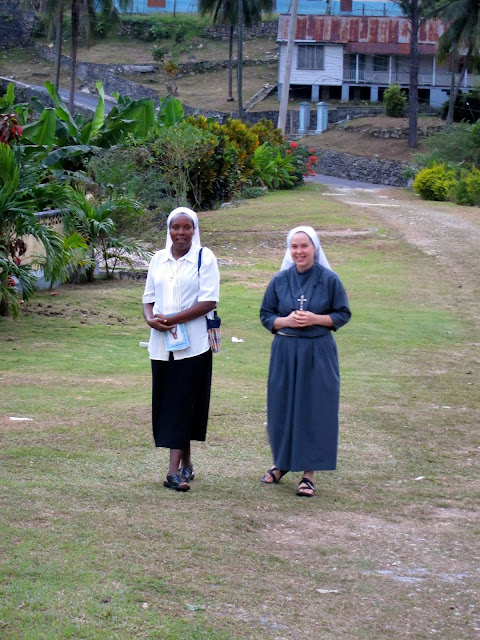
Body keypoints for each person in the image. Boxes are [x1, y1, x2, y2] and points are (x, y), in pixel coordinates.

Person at [259, 226, 351, 497]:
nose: (299, 251)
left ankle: (308, 473)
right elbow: (266, 315)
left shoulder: (329, 279)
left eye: (304, 246)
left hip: (317, 351)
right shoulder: (280, 280)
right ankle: (282, 463)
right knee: (282, 407)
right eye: (294, 246)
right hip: (285, 351)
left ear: (315, 248)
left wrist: (315, 319)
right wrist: (285, 321)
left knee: (315, 408)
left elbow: (342, 314)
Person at [142, 207, 220, 492]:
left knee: (183, 401)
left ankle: (173, 473)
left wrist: (171, 320)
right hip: (162, 345)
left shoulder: (204, 258)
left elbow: (208, 301)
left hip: (195, 345)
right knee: (170, 401)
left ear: (195, 230)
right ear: (169, 229)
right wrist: (151, 319)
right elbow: (148, 298)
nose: (181, 233)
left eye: (187, 227)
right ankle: (187, 464)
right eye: (176, 227)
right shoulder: (158, 260)